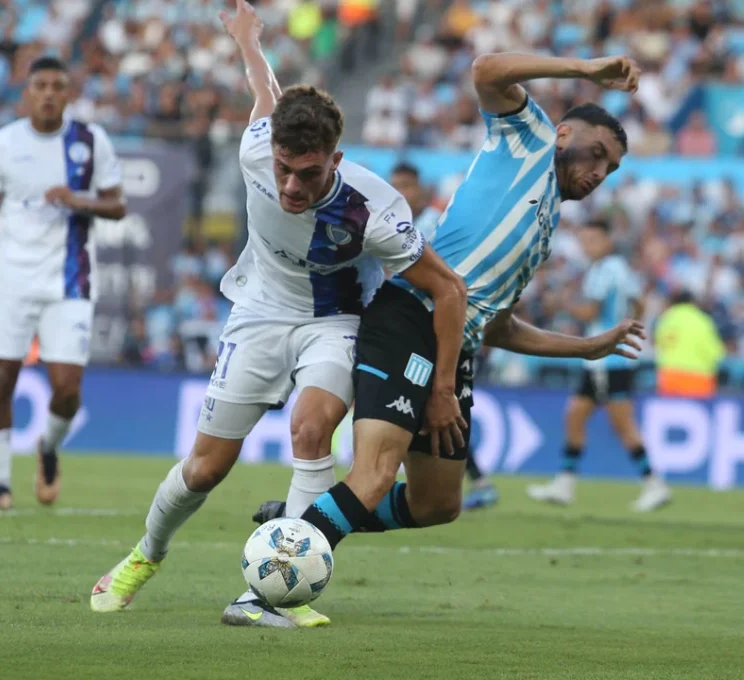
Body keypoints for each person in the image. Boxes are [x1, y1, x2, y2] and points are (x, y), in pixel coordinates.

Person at [89, 0, 467, 629]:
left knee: (311, 427)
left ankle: (279, 591)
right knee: (206, 467)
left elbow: (449, 289)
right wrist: (246, 36)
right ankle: (143, 556)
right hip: (259, 311)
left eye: (309, 174)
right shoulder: (254, 149)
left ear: (336, 162)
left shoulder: (374, 211)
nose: (291, 186)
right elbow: (263, 89)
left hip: (336, 321)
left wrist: (444, 386)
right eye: (285, 171)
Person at [292, 52, 646, 618]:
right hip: (412, 316)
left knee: (438, 503)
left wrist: (588, 348)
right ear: (562, 133)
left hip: (455, 343)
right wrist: (585, 69)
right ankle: (277, 575)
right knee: (376, 474)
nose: (601, 172)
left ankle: (310, 521)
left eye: (612, 169)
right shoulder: (525, 139)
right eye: (598, 153)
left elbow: (496, 321)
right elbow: (486, 68)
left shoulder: (545, 225)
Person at [0, 56, 125, 511]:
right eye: (40, 85)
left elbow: (118, 207)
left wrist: (77, 200)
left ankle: (48, 446)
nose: (49, 93)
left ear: (68, 93)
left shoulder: (90, 141)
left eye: (57, 85)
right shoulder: (4, 144)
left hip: (70, 278)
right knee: (1, 378)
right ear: (26, 92)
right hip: (12, 279)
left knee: (67, 388)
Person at [527, 219, 672, 511]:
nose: (587, 245)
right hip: (606, 358)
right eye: (584, 240)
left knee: (621, 423)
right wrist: (629, 327)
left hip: (608, 359)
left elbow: (591, 310)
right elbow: (639, 304)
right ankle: (565, 484)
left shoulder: (603, 270)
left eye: (593, 240)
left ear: (607, 241)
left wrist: (563, 303)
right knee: (575, 415)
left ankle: (653, 483)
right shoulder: (620, 268)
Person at [390, 162, 498, 511]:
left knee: (428, 411)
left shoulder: (431, 225)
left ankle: (381, 476)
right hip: (413, 331)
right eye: (395, 186)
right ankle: (478, 481)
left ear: (421, 188)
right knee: (428, 415)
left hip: (436, 333)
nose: (401, 193)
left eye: (407, 185)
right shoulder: (395, 223)